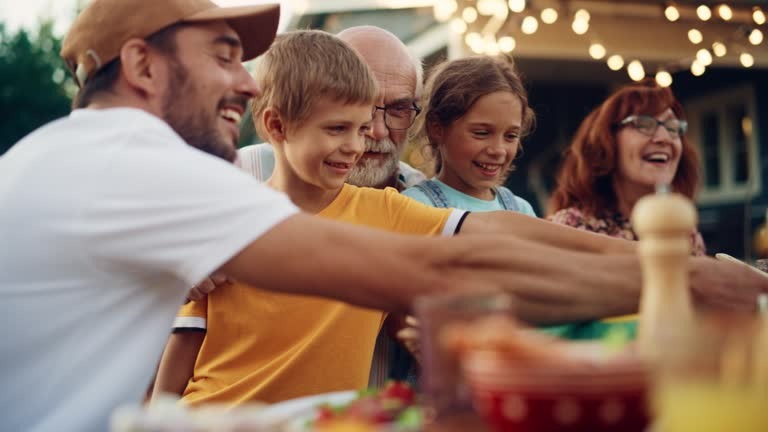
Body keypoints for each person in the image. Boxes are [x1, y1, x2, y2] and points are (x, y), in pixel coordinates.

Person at [2, 1, 765, 430]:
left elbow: (493, 233)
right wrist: (692, 284)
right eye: (225, 51)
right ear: (140, 65)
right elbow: (437, 271)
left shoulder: (98, 158)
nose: (244, 80)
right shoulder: (134, 166)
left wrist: (683, 268)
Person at [155, 29, 464, 405]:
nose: (374, 131)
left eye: (398, 108)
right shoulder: (233, 181)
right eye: (343, 116)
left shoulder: (417, 200)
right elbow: (172, 323)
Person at [237, 25, 425, 191]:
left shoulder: (430, 202)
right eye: (339, 125)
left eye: (398, 109)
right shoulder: (237, 174)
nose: (378, 131)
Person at [548, 79, 706, 255]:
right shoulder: (571, 228)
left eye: (672, 127)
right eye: (644, 124)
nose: (664, 138)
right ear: (606, 142)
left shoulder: (682, 231)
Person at [402, 54, 536, 215]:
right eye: (482, 133)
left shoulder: (522, 210)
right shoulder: (416, 206)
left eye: (511, 136)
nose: (499, 150)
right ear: (436, 128)